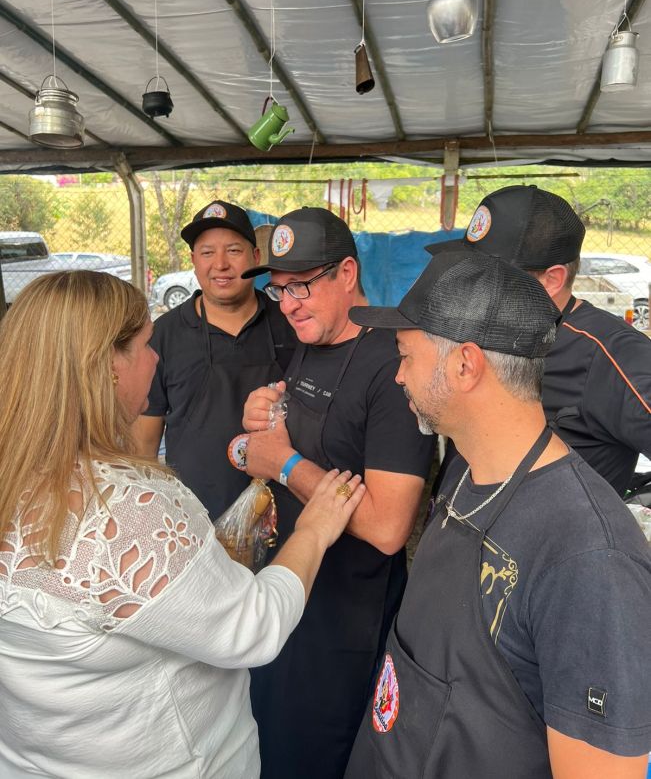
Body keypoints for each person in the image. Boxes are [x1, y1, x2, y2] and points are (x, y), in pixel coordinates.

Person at [0, 270, 365, 779]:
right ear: (107, 366)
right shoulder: (128, 510)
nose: (156, 359)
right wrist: (316, 527)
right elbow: (251, 627)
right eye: (146, 346)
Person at [344, 248, 651, 779]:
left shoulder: (588, 558)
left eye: (406, 356)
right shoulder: (469, 472)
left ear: (465, 365)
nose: (398, 376)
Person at [239, 207, 435, 779]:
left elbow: (388, 527)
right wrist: (254, 432)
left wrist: (285, 464)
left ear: (348, 272)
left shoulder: (392, 366)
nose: (289, 304)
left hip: (346, 622)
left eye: (301, 285)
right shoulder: (308, 341)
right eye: (279, 290)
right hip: (287, 596)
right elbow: (281, 443)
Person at [428, 184, 651, 496]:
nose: (474, 284)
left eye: (492, 274)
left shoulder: (611, 352)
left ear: (552, 280)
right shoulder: (483, 330)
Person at [133, 200, 296, 519]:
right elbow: (143, 448)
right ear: (193, 261)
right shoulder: (163, 336)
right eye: (207, 253)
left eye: (233, 251)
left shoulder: (292, 323)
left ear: (256, 257)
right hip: (193, 519)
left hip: (284, 512)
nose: (220, 264)